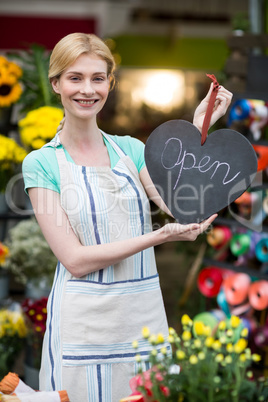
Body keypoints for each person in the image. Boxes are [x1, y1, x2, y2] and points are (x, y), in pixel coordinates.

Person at [22, 32, 232, 401]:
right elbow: (74, 260)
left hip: (141, 320)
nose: (87, 90)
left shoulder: (131, 151)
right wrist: (159, 237)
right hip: (83, 326)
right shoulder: (41, 163)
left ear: (110, 83)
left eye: (97, 78)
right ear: (56, 83)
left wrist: (202, 126)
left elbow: (179, 206)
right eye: (75, 78)